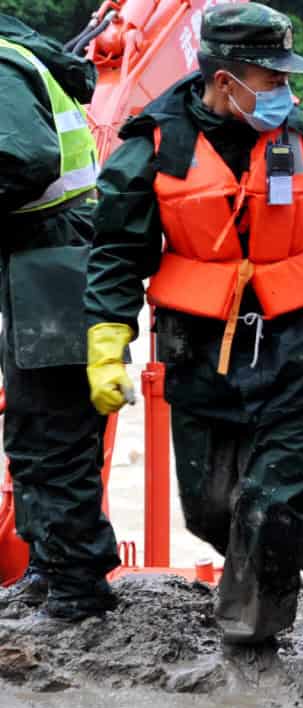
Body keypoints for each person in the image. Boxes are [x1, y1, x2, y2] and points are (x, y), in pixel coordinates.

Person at [83, 3, 303, 646]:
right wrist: (107, 347)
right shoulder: (153, 146)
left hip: (299, 343)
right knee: (210, 511)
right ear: (227, 81)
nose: (284, 92)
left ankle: (252, 643)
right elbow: (115, 254)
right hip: (200, 350)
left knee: (267, 506)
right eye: (271, 79)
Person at [0, 14, 120, 629]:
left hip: (54, 257)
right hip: (40, 258)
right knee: (30, 426)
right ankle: (47, 566)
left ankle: (78, 588)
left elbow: (27, 158)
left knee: (57, 430)